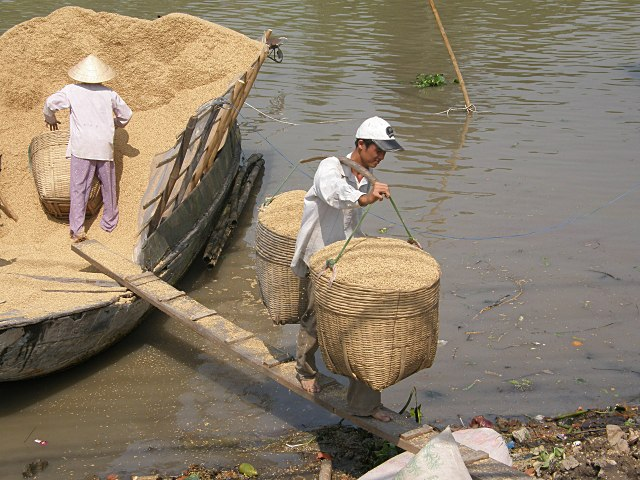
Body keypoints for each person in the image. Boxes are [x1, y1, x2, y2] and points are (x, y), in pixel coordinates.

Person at [290, 116, 404, 422]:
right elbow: (334, 195)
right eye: (377, 150)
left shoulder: (366, 177)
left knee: (363, 326)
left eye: (385, 152)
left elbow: (351, 225)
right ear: (360, 145)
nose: (380, 156)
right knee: (315, 317)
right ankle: (304, 369)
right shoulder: (330, 167)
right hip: (319, 255)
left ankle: (365, 404)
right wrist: (365, 197)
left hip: (345, 257)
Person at [43, 54, 133, 243]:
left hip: (82, 147)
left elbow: (50, 103)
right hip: (103, 145)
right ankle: (109, 222)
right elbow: (126, 114)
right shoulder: (109, 93)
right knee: (108, 185)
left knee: (79, 188)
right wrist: (115, 124)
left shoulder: (71, 90)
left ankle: (77, 230)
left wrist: (50, 118)